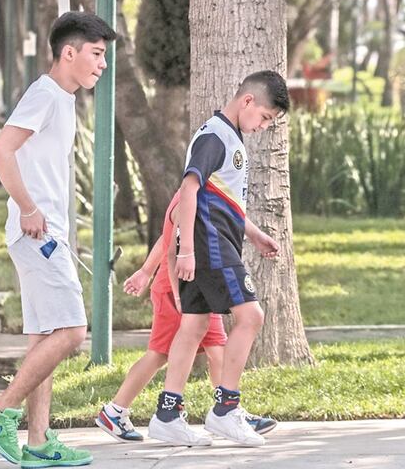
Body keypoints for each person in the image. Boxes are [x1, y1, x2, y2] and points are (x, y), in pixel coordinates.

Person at [0, 12, 116, 469]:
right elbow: (0, 150)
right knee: (73, 331)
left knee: (44, 340)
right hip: (39, 234)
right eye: (96, 54)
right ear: (69, 53)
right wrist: (30, 208)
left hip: (41, 233)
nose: (102, 65)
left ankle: (38, 441)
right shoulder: (46, 94)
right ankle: (1, 411)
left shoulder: (61, 97)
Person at [152, 70, 290, 448]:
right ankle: (226, 408)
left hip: (216, 242)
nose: (262, 127)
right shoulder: (215, 136)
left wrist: (255, 233)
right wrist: (188, 251)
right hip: (210, 246)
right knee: (252, 316)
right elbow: (188, 190)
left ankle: (168, 413)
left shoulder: (230, 136)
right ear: (247, 101)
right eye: (264, 117)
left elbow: (225, 199)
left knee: (194, 325)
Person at [94, 188, 277, 443]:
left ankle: (226, 411)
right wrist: (175, 294)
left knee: (212, 349)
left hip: (192, 285)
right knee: (163, 354)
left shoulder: (201, 195)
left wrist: (146, 271)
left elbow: (165, 238)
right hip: (177, 288)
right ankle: (116, 411)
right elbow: (172, 251)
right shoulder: (189, 197)